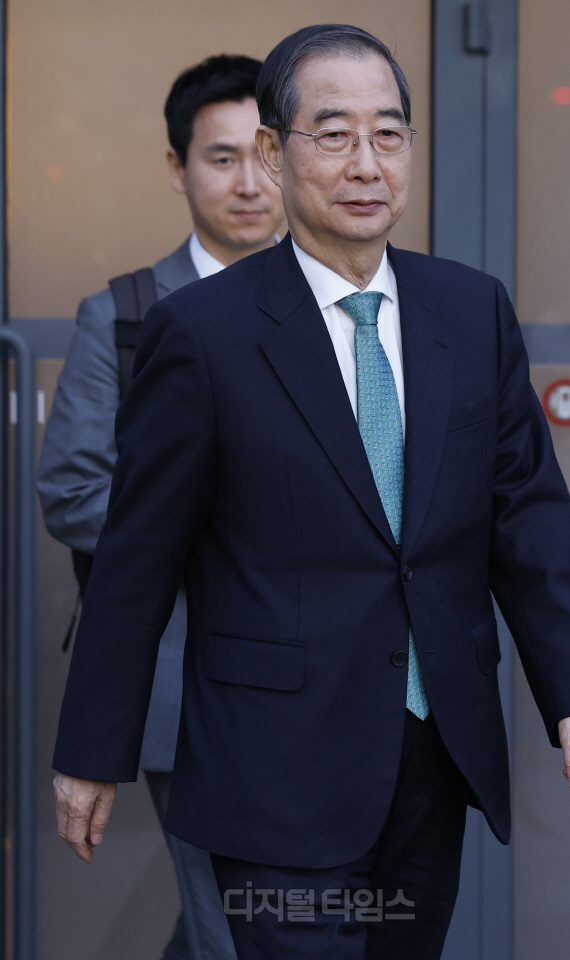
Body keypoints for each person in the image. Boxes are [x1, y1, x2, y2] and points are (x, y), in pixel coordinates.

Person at [51, 24, 570, 960]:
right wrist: (92, 748)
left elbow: (528, 517)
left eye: (388, 134)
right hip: (276, 766)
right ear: (276, 153)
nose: (366, 164)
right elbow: (137, 560)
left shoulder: (469, 309)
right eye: (334, 134)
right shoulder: (203, 331)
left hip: (435, 757)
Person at [38, 54, 284, 960]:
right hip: (185, 677)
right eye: (222, 158)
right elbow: (72, 493)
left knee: (275, 917)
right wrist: (232, 516)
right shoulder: (125, 316)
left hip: (329, 678)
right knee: (236, 925)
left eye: (266, 154)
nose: (250, 183)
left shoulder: (341, 305)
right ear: (178, 168)